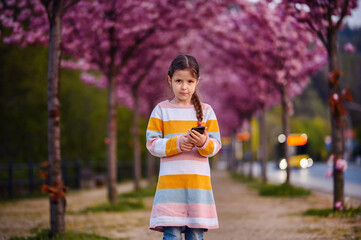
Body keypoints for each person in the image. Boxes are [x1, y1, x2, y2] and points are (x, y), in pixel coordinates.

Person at [146, 54, 222, 240]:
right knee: (171, 235)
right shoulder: (161, 110)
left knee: (195, 236)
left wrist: (202, 142)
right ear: (169, 79)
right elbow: (152, 144)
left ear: (197, 81)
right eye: (179, 80)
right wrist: (178, 143)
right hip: (170, 189)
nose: (184, 87)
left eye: (189, 81)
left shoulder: (206, 111)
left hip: (198, 187)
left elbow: (215, 146)